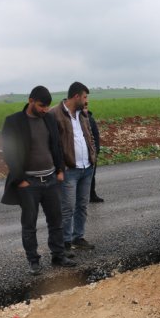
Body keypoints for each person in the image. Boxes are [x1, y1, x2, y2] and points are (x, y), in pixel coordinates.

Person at [1, 86, 76, 275]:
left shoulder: (49, 118)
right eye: (42, 105)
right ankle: (33, 261)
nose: (44, 109)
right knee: (29, 224)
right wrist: (20, 180)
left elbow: (57, 145)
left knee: (56, 221)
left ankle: (58, 255)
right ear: (31, 100)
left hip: (51, 179)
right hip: (29, 184)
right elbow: (9, 153)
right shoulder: (14, 122)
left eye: (47, 106)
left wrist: (59, 170)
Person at [48, 82, 97, 250]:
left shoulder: (82, 114)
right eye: (84, 97)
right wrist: (60, 167)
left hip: (86, 168)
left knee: (82, 205)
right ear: (76, 96)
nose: (86, 101)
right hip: (69, 170)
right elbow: (52, 143)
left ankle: (78, 237)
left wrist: (93, 156)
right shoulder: (54, 114)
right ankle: (65, 242)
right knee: (67, 207)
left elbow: (89, 136)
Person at [85, 103, 104, 203]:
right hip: (81, 155)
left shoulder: (90, 118)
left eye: (86, 107)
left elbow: (96, 135)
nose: (85, 108)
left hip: (91, 153)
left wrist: (96, 151)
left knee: (92, 175)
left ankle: (92, 195)